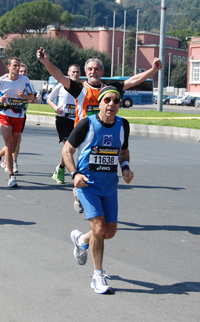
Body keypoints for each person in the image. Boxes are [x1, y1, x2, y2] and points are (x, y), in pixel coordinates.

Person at [37, 47, 161, 213]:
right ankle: (79, 192)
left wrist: (153, 70)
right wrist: (46, 61)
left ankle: (86, 195)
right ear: (85, 72)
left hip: (105, 134)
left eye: (96, 69)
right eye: (89, 69)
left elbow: (133, 80)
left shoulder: (110, 89)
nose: (93, 72)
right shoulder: (79, 88)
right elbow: (59, 75)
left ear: (102, 71)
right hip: (84, 136)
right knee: (84, 168)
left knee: (100, 169)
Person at [64, 86, 134, 294]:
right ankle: (97, 276)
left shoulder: (123, 125)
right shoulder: (87, 123)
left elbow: (124, 152)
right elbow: (67, 151)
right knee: (100, 228)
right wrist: (75, 174)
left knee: (109, 232)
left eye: (116, 101)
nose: (111, 104)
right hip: (87, 184)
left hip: (109, 185)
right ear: (100, 103)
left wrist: (126, 168)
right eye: (107, 100)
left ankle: (81, 240)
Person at [0, 57, 35, 188]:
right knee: (9, 144)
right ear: (8, 66)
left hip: (19, 115)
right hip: (4, 114)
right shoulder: (1, 80)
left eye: (19, 66)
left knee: (14, 146)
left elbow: (32, 96)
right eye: (14, 65)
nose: (17, 68)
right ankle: (11, 176)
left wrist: (24, 97)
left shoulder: (24, 80)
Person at [48, 64, 81, 184]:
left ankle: (60, 167)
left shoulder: (81, 87)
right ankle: (64, 170)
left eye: (77, 72)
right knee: (68, 145)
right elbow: (49, 98)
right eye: (73, 72)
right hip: (62, 119)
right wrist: (56, 107)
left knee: (71, 148)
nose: (75, 74)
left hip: (76, 121)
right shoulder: (61, 85)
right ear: (68, 72)